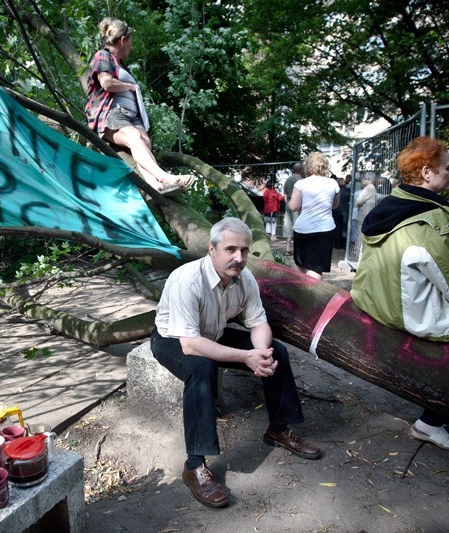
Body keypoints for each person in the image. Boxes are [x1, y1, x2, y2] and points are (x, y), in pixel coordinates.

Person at [151, 217, 321, 508]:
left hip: (212, 333)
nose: (239, 258)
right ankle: (195, 466)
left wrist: (261, 355)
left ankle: (278, 429)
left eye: (243, 250)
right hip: (173, 339)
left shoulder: (245, 279)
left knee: (276, 351)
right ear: (212, 249)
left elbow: (258, 324)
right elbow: (190, 344)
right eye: (230, 249)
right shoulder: (186, 279)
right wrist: (246, 357)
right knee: (201, 366)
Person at [351, 137, 449, 450]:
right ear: (426, 173)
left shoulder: (387, 207)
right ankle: (430, 422)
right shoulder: (432, 220)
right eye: (446, 168)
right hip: (412, 313)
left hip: (379, 304)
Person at [85, 17, 194, 195]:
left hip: (132, 117)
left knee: (144, 142)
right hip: (112, 113)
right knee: (135, 137)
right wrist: (131, 86)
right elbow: (106, 83)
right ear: (123, 40)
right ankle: (165, 178)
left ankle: (154, 185)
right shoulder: (103, 56)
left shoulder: (122, 65)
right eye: (130, 42)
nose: (130, 47)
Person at [288, 152, 340, 280]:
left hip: (303, 229)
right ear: (324, 166)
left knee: (299, 264)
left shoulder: (301, 184)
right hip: (325, 230)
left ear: (308, 166)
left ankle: (299, 295)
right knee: (316, 268)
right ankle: (313, 298)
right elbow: (335, 206)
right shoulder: (333, 183)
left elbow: (293, 207)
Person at [281, 163, 304, 254]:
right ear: (301, 170)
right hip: (298, 205)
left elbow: (285, 194)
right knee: (297, 227)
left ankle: (288, 248)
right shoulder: (302, 180)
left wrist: (288, 203)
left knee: (288, 226)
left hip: (288, 204)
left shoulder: (288, 180)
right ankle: (297, 249)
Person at [355, 172, 378, 256]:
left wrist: (356, 202)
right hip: (366, 214)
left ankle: (359, 254)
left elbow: (359, 200)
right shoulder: (372, 188)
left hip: (364, 214)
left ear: (369, 180)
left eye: (364, 178)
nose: (362, 180)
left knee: (361, 235)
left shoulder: (369, 188)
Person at [333, 175, 351, 249]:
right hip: (345, 210)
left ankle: (337, 244)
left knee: (337, 227)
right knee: (344, 227)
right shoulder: (348, 190)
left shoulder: (335, 191)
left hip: (336, 210)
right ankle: (344, 245)